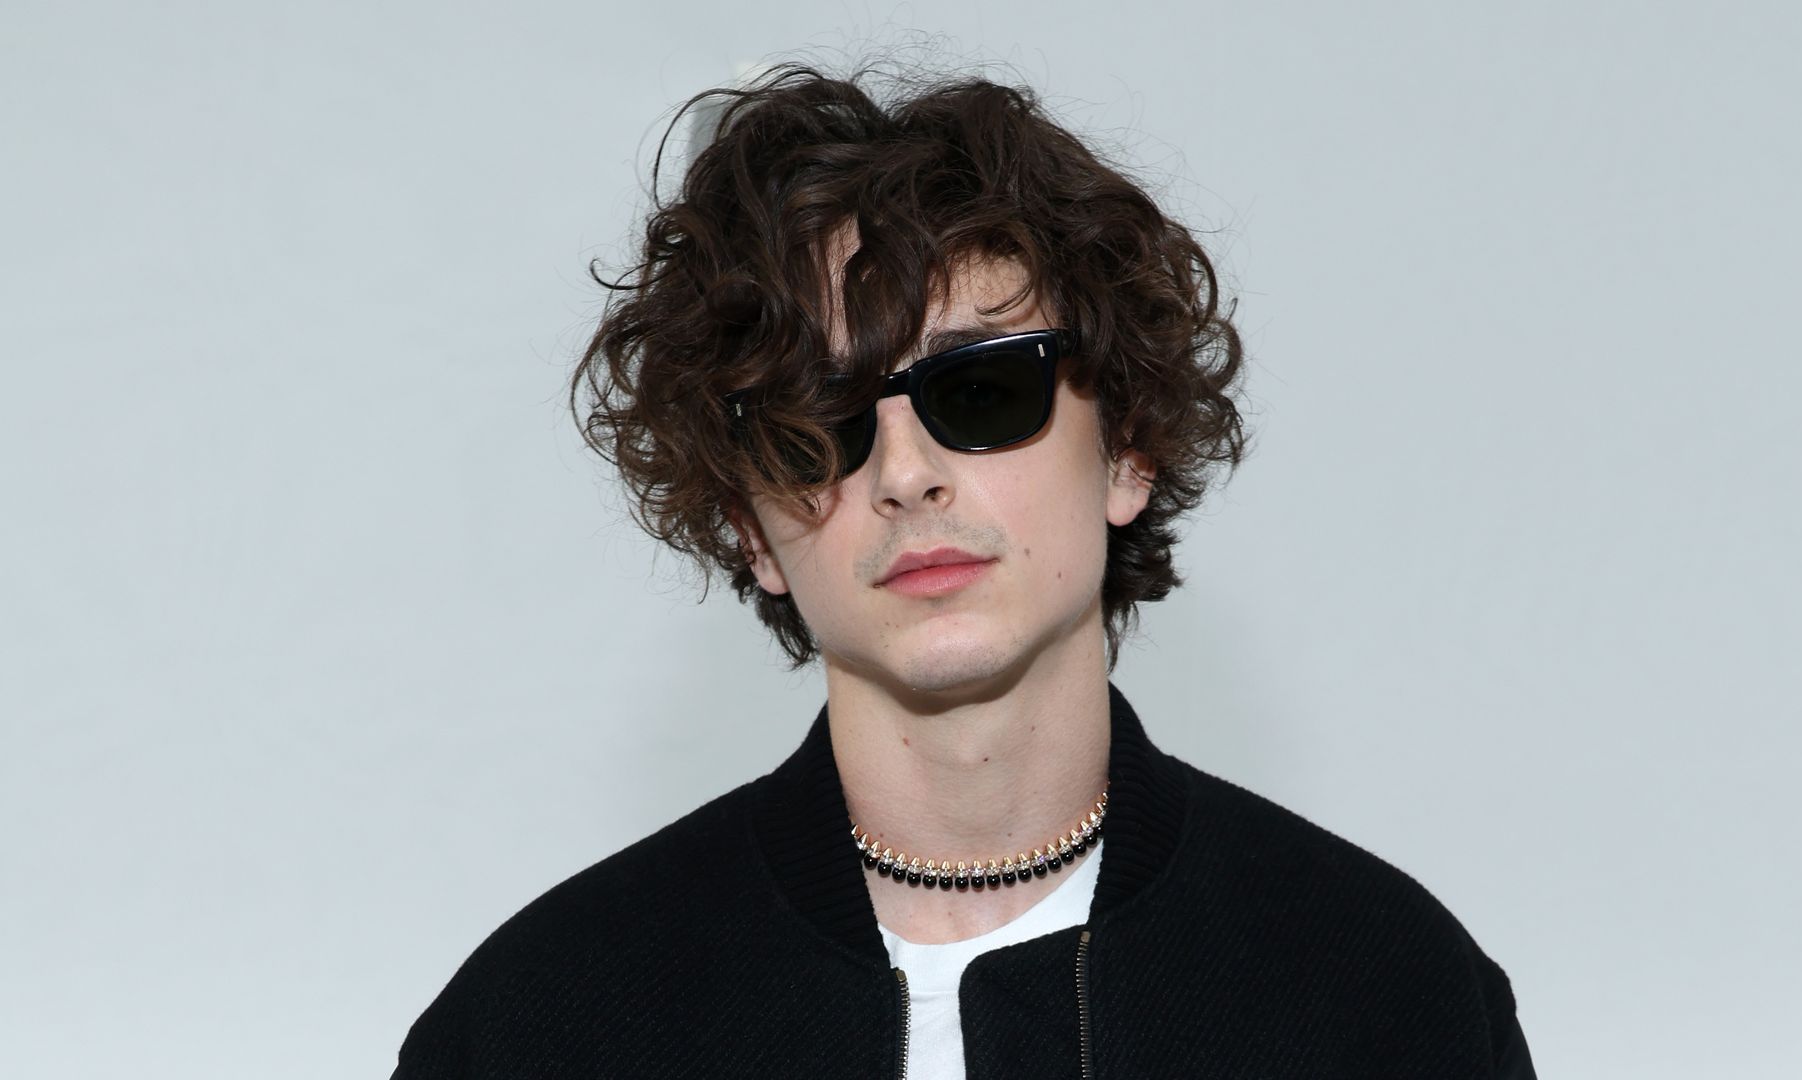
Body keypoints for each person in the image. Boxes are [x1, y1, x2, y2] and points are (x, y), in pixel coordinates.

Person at [392, 63, 1536, 1079]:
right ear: (749, 526)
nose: (906, 474)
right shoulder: (543, 1024)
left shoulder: (1381, 994)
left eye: (981, 390)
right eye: (817, 425)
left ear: (1129, 447)